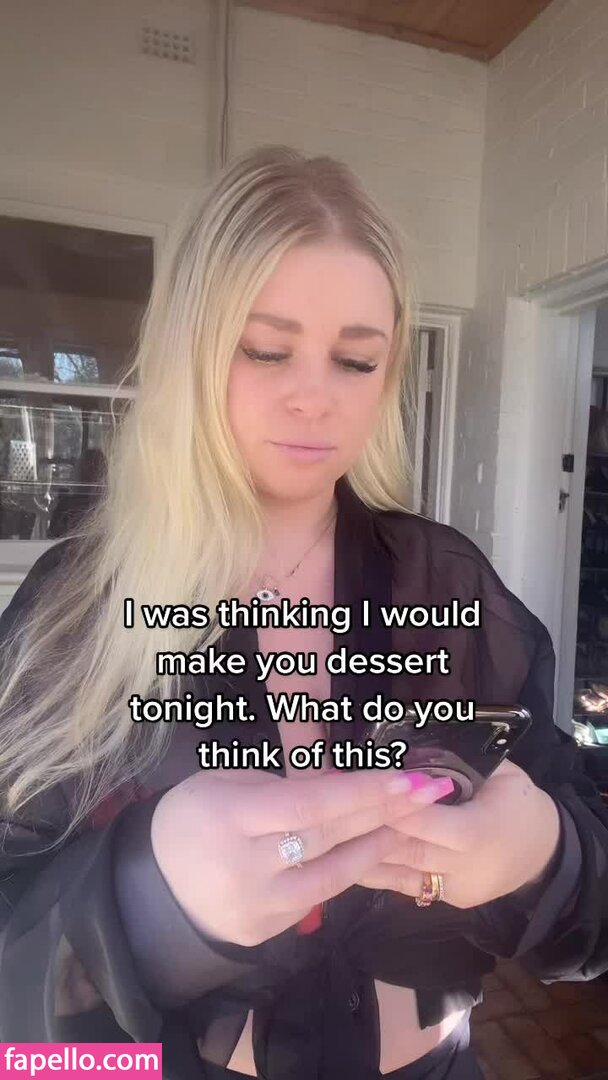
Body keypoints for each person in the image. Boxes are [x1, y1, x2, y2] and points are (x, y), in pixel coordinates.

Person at [0, 145, 607, 1080]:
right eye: (267, 349)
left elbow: (591, 890)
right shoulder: (77, 614)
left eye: (356, 360)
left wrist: (544, 854)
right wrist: (141, 907)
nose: (315, 397)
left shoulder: (444, 586)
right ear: (194, 353)